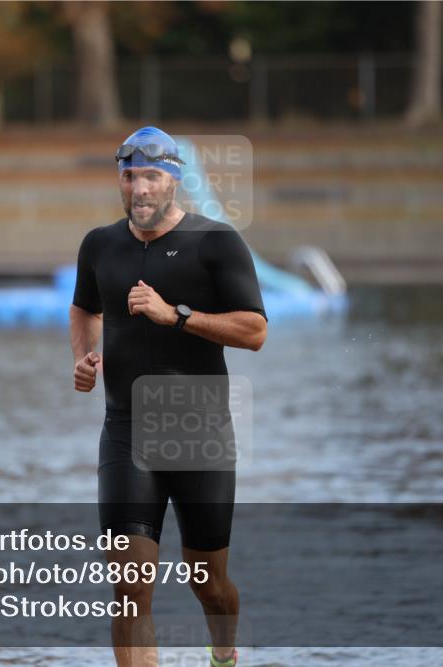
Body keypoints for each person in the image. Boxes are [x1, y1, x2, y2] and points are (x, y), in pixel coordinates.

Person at [69, 126, 267, 667]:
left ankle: (223, 653)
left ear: (174, 180)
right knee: (131, 585)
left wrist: (174, 315)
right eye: (129, 176)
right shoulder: (99, 245)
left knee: (210, 581)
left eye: (152, 176)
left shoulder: (217, 243)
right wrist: (85, 357)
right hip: (125, 430)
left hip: (198, 435)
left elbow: (254, 331)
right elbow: (85, 307)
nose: (139, 189)